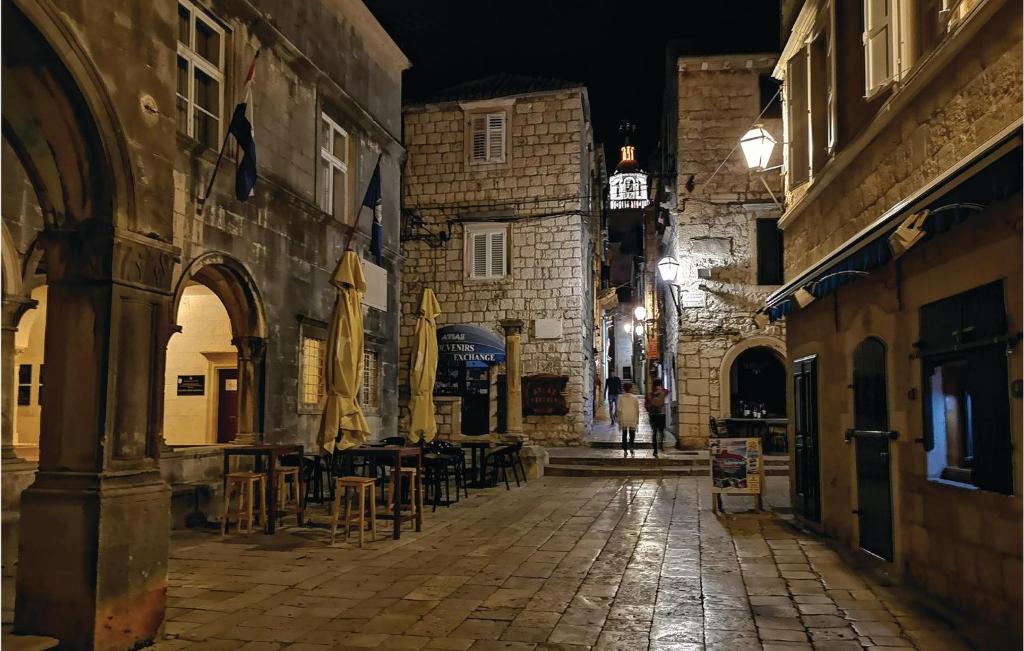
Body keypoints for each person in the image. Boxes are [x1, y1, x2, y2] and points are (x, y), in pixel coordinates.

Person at [647, 379, 669, 456]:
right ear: (660, 385)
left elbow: (647, 404)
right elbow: (667, 391)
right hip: (661, 414)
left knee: (654, 432)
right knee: (661, 431)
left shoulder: (650, 394)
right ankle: (661, 445)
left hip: (652, 414)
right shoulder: (663, 393)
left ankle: (655, 450)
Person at [617, 382, 640, 457]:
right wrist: (637, 419)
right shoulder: (635, 398)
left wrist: (619, 418)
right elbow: (637, 409)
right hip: (632, 417)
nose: (633, 389)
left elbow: (619, 409)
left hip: (624, 418)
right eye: (632, 388)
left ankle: (625, 449)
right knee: (632, 434)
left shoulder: (620, 397)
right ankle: (631, 447)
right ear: (630, 389)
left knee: (624, 434)